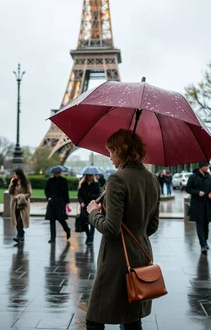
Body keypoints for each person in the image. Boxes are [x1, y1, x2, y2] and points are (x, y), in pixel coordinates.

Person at [85, 129, 160, 330]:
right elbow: (152, 226)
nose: (109, 157)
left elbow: (111, 229)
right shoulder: (153, 179)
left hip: (117, 259)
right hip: (141, 254)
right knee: (131, 317)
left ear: (121, 151)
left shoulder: (117, 179)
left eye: (111, 151)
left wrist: (94, 212)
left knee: (94, 317)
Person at [186, 162, 211, 254]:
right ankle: (203, 244)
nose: (207, 167)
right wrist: (197, 193)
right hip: (197, 205)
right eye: (205, 166)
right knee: (200, 225)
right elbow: (188, 189)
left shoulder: (209, 177)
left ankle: (205, 241)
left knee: (206, 225)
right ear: (201, 167)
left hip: (208, 205)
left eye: (207, 166)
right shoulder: (193, 177)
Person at [45, 170, 71, 243]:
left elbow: (66, 191)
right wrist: (48, 197)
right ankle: (52, 238)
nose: (57, 174)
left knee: (61, 218)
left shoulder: (64, 180)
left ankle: (67, 229)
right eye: (56, 173)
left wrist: (67, 202)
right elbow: (46, 190)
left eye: (58, 172)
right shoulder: (50, 180)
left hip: (60, 202)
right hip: (52, 202)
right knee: (52, 220)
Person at [8, 168, 31, 243]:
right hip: (14, 203)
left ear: (19, 175)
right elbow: (10, 192)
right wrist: (11, 183)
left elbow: (29, 193)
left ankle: (19, 236)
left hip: (23, 204)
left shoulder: (26, 182)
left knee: (20, 219)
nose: (14, 175)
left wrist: (20, 196)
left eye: (15, 174)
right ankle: (21, 234)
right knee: (16, 220)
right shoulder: (13, 182)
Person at [78, 174, 101, 245]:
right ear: (86, 176)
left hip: (92, 205)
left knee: (92, 223)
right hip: (84, 206)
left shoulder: (96, 184)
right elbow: (79, 195)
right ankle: (88, 236)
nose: (90, 177)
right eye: (88, 176)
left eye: (91, 176)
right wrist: (81, 202)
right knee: (84, 223)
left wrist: (92, 197)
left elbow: (98, 195)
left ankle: (91, 239)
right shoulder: (82, 184)